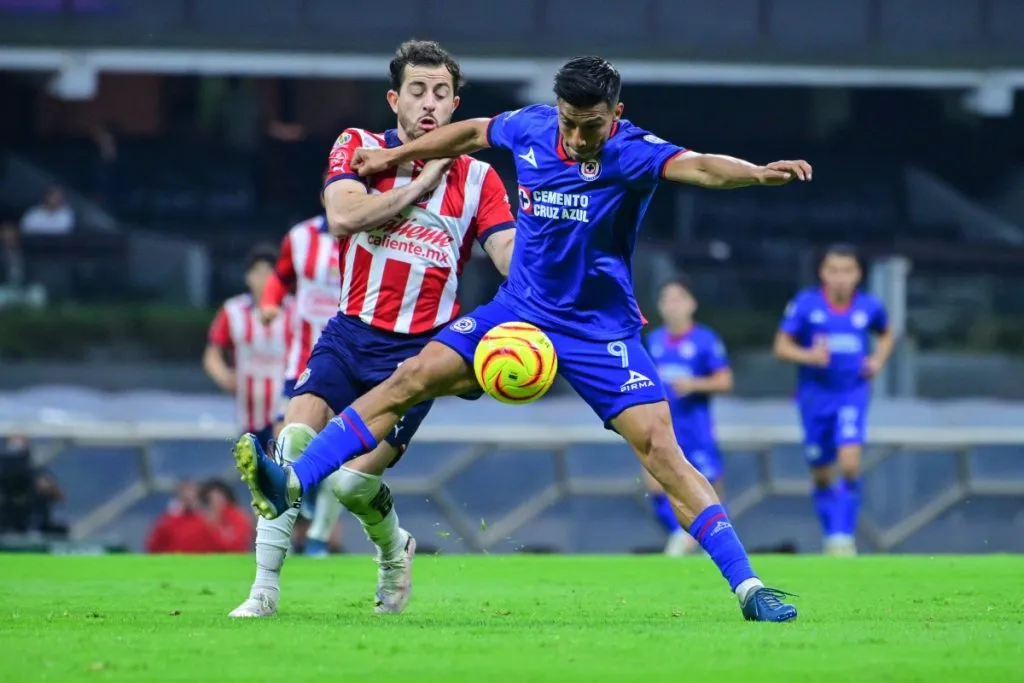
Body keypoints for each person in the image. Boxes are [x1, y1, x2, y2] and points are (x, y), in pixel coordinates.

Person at [236, 55, 811, 622]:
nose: (579, 137)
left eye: (592, 125)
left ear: (616, 115)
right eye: (570, 122)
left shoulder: (633, 151)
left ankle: (749, 587)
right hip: (519, 312)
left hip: (599, 329)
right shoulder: (533, 125)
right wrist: (394, 155)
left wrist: (757, 173)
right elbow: (472, 132)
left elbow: (704, 167)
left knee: (662, 450)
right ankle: (293, 481)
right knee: (409, 378)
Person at [227, 39, 516, 619]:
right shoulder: (358, 147)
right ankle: (263, 591)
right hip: (349, 331)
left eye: (440, 93)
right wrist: (417, 184)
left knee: (350, 488)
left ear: (456, 104)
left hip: (418, 356)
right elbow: (343, 216)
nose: (429, 103)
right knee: (289, 447)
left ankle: (394, 552)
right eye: (417, 91)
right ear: (395, 99)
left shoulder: (480, 179)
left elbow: (509, 256)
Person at [773, 244, 893, 556]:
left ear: (857, 274)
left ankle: (843, 537)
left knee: (850, 464)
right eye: (834, 270)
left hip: (851, 393)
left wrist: (878, 361)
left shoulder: (869, 306)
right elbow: (782, 347)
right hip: (814, 397)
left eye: (847, 271)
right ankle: (832, 535)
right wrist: (809, 355)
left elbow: (886, 333)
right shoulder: (805, 304)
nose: (840, 278)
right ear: (823, 273)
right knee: (821, 473)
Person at [259, 213, 345, 559]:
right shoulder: (300, 236)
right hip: (302, 361)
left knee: (342, 454)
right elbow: (280, 278)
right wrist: (269, 302)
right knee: (284, 438)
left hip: (347, 359)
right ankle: (284, 531)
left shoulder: (375, 230)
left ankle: (318, 539)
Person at [643, 276, 732, 556]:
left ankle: (712, 542)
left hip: (697, 429)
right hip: (663, 428)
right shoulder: (653, 342)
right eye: (667, 299)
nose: (673, 305)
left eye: (679, 298)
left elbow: (724, 381)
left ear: (692, 304)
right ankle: (681, 537)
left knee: (708, 488)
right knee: (656, 486)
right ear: (659, 306)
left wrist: (694, 385)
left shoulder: (705, 340)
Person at [204, 244, 292, 449]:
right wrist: (225, 377)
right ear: (247, 277)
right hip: (248, 415)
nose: (262, 280)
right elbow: (212, 354)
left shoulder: (293, 310)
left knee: (281, 469)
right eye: (257, 273)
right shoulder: (233, 311)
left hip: (285, 413)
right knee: (253, 472)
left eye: (269, 273)